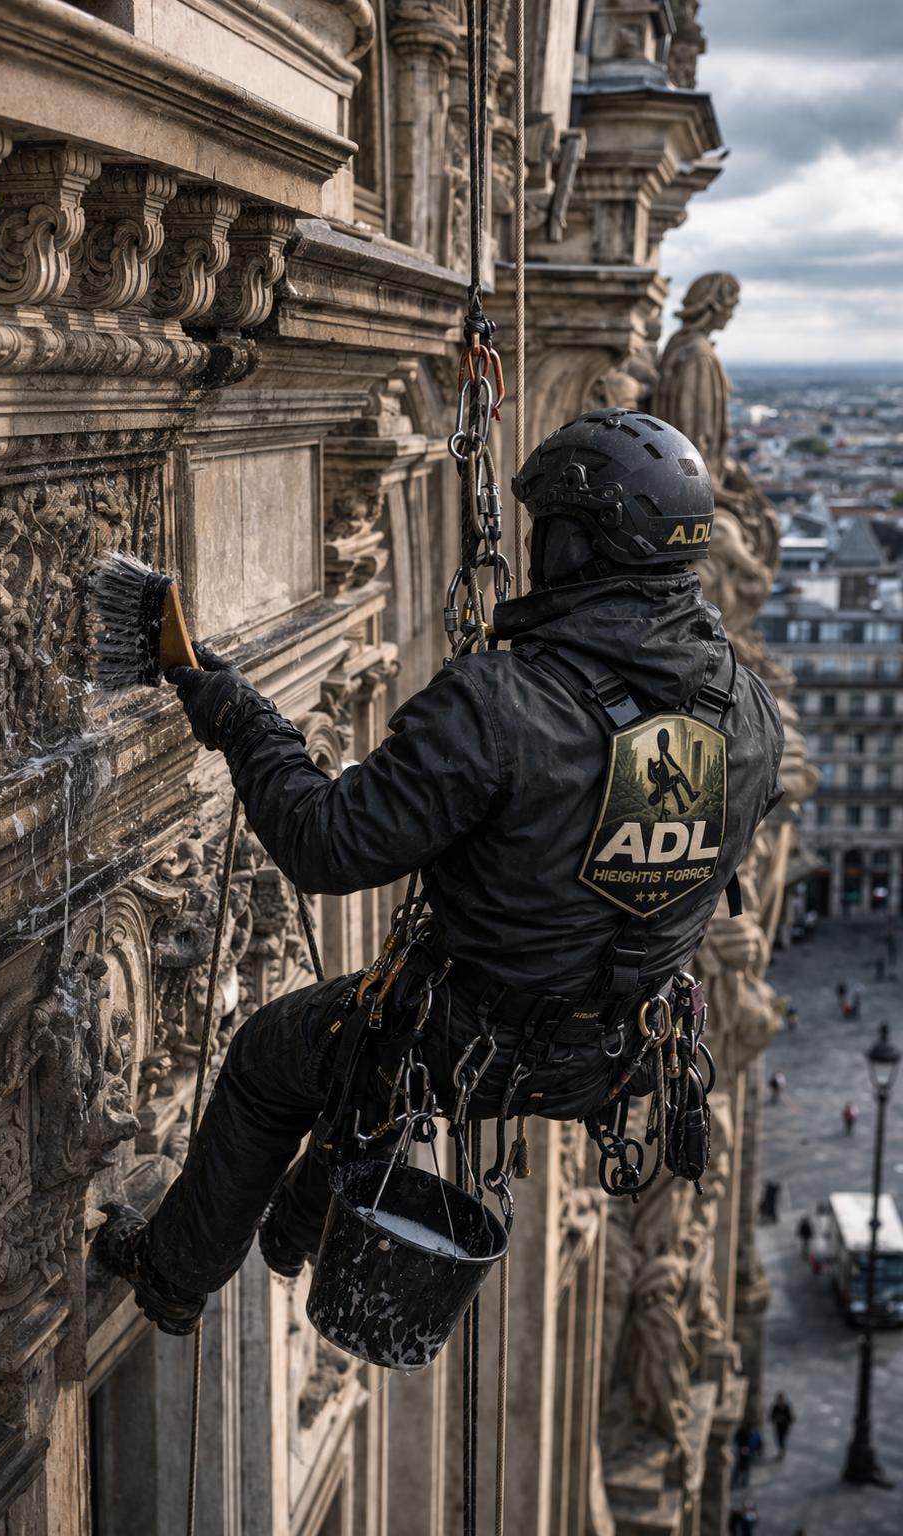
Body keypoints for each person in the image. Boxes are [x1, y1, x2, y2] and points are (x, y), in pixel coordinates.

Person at [92, 409, 785, 1334]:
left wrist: (236, 713)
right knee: (365, 1042)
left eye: (545, 531)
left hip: (470, 1043)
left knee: (277, 1056)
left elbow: (322, 844)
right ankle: (297, 1225)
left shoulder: (503, 705)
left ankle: (174, 1276)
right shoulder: (748, 712)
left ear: (575, 547)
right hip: (617, 1055)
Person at [769, 1391, 794, 1457]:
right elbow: (771, 1417)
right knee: (778, 1439)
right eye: (779, 1399)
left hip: (785, 1426)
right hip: (778, 1426)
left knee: (782, 1439)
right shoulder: (775, 1407)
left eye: (781, 1399)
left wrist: (784, 1419)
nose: (780, 1401)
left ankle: (782, 1452)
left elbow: (790, 1418)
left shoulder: (786, 1407)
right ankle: (781, 1451)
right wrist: (776, 1418)